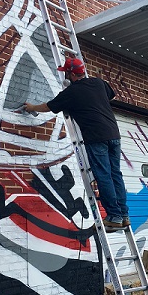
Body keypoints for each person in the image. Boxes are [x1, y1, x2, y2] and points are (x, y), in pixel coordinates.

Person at [24, 57, 130, 231]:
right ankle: (124, 215)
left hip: (96, 137)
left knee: (103, 175)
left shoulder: (72, 92)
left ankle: (114, 216)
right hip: (114, 134)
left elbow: (49, 107)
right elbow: (112, 95)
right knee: (115, 174)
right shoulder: (99, 83)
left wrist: (32, 108)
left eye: (66, 72)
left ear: (71, 74)